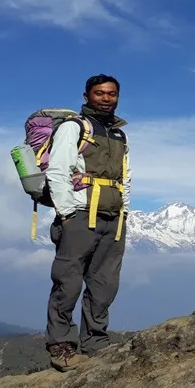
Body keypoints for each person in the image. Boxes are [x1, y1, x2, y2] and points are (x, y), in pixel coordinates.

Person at [43, 74, 131, 372]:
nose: (106, 98)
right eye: (99, 93)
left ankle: (95, 342)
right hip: (81, 214)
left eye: (111, 94)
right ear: (86, 96)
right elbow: (58, 170)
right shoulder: (74, 127)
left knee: (104, 284)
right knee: (67, 282)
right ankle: (61, 347)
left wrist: (125, 210)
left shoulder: (118, 134)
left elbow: (124, 176)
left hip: (113, 217)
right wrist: (66, 213)